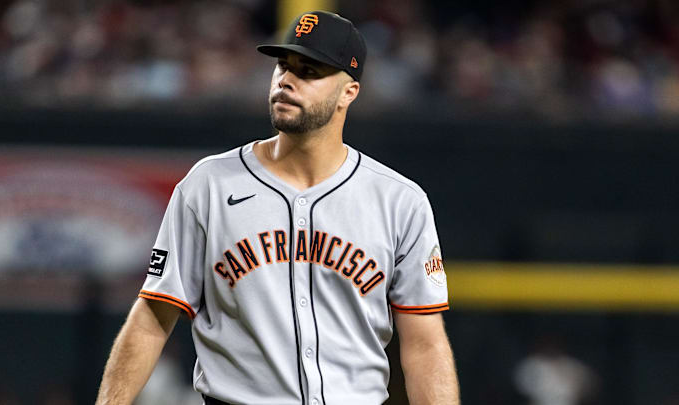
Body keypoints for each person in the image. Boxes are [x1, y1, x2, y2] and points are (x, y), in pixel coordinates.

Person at [96, 10, 459, 405]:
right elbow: (151, 319)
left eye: (309, 71)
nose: (287, 80)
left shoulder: (399, 200)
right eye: (283, 66)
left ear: (349, 92)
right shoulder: (209, 185)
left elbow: (424, 344)